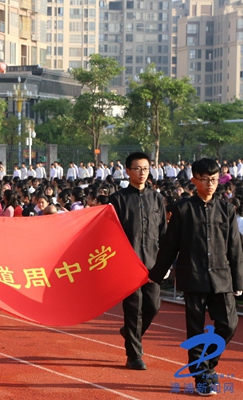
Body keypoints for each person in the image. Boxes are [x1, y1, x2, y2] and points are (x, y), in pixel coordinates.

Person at [149, 158, 243, 396]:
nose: (210, 184)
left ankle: (207, 365)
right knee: (196, 329)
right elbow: (170, 246)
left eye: (213, 179)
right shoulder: (182, 209)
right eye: (204, 179)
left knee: (229, 324)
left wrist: (239, 280)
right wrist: (157, 275)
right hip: (193, 276)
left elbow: (235, 247)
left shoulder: (226, 209)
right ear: (194, 181)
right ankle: (201, 377)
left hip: (222, 278)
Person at [109, 152, 167, 371]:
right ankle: (134, 355)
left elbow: (162, 231)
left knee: (153, 305)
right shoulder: (118, 199)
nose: (142, 173)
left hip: (152, 262)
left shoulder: (156, 198)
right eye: (137, 169)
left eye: (145, 168)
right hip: (129, 263)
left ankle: (130, 333)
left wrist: (165, 262)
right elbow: (112, 232)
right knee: (133, 308)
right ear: (127, 171)